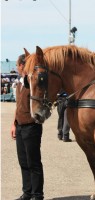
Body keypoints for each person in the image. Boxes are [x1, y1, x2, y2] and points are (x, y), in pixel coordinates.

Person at [10, 54, 44, 200]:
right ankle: (27, 192)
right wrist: (14, 123)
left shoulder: (32, 83)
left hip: (31, 127)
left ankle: (37, 195)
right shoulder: (18, 84)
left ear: (22, 66)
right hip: (20, 126)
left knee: (33, 162)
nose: (17, 68)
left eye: (18, 66)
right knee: (23, 161)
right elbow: (18, 106)